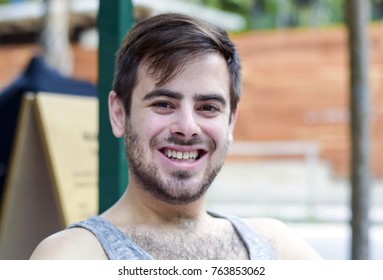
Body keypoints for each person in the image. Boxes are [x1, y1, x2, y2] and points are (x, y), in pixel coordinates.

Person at [30, 13, 321, 260]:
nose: (187, 127)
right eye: (163, 104)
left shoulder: (279, 248)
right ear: (119, 114)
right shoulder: (73, 257)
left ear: (230, 121)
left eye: (208, 107)